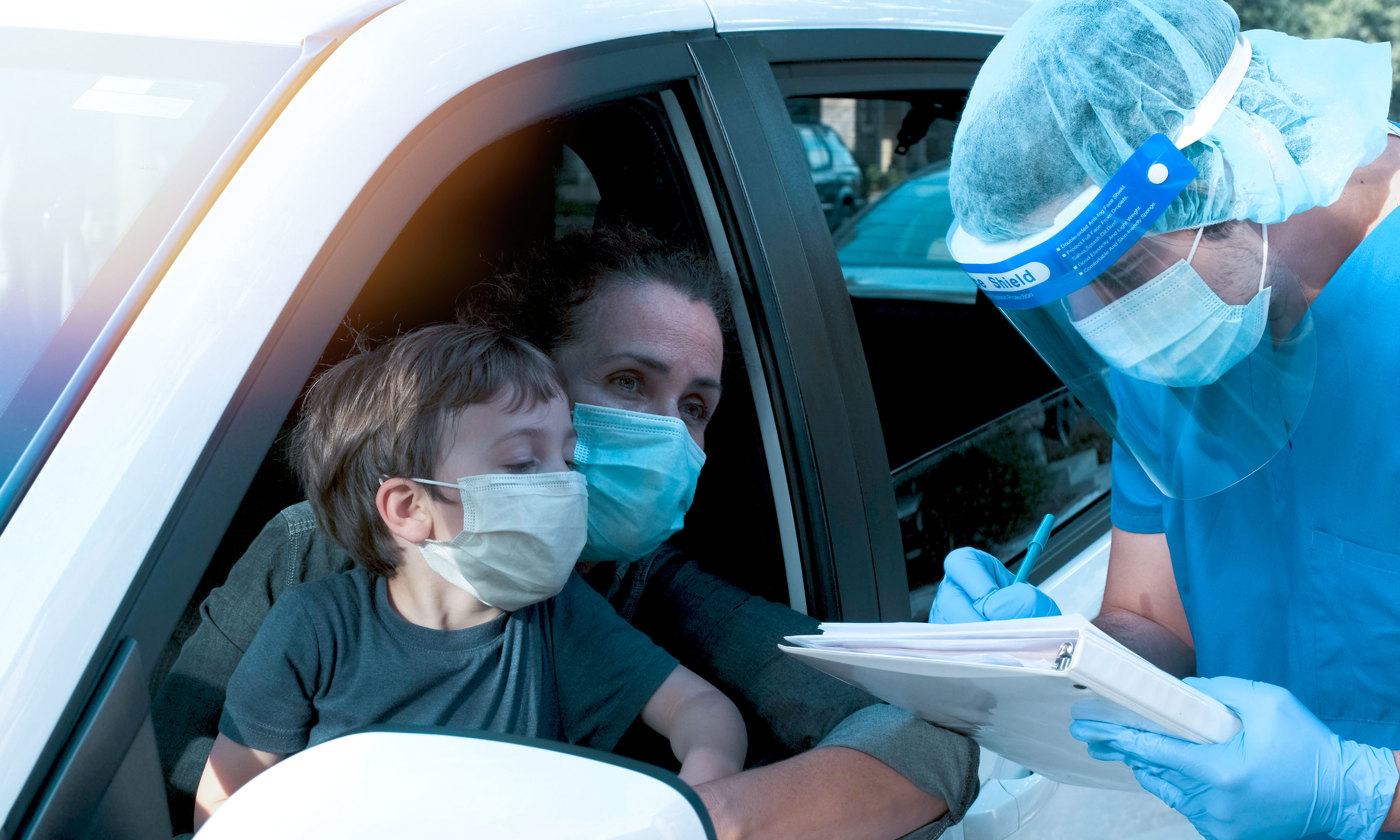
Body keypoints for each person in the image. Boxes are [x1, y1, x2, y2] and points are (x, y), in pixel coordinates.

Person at [155, 227, 978, 839]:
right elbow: (175, 762)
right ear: (529, 374)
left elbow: (928, 737)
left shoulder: (644, 593)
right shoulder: (314, 557)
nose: (667, 434)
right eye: (629, 381)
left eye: (696, 406)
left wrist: (698, 819)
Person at [930, 1, 1400, 839]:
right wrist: (1052, 661)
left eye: (1117, 271)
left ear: (1236, 171)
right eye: (1073, 294)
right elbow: (1153, 619)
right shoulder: (1184, 339)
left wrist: (1363, 795)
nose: (1108, 320)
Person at [192, 324, 747, 830]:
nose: (566, 484)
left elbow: (704, 712)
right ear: (410, 507)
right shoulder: (315, 628)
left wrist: (691, 803)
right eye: (523, 463)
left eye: (568, 458)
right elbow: (227, 802)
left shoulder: (557, 621)